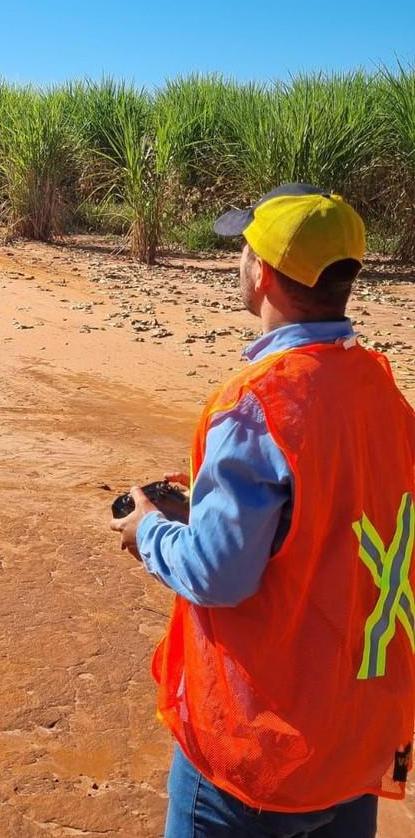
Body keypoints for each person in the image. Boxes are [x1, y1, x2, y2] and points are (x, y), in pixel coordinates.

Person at [111, 184, 415, 837]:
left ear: (265, 276)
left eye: (246, 250)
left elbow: (222, 575)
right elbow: (329, 525)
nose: (239, 262)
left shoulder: (258, 403)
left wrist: (150, 531)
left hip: (259, 757)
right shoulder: (383, 395)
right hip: (353, 742)